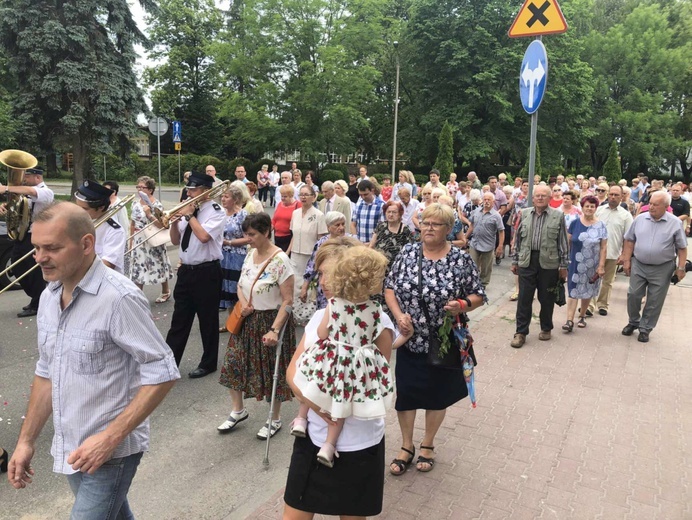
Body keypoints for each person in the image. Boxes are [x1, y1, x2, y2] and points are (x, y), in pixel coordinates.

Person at [8, 202, 179, 517]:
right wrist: (25, 441)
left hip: (110, 452)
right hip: (73, 446)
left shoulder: (119, 298)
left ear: (86, 244)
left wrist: (110, 437)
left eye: (52, 248)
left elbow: (163, 370)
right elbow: (47, 372)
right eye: (36, 247)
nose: (39, 258)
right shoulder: (48, 297)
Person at [284, 238, 393, 519]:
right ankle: (309, 422)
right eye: (320, 274)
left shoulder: (380, 321)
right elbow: (293, 372)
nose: (322, 281)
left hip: (360, 443)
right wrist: (318, 405)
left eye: (327, 274)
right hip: (313, 437)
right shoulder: (340, 312)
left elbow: (374, 375)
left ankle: (310, 422)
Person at [385, 204, 486, 475]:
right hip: (410, 338)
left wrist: (463, 304)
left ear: (448, 229)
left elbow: (478, 294)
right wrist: (398, 317)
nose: (428, 228)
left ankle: (427, 443)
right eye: (425, 223)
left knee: (436, 395)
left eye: (436, 224)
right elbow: (390, 288)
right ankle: (406, 446)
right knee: (406, 393)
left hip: (444, 341)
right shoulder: (407, 252)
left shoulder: (460, 260)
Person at [291, 247, 399, 467]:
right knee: (340, 402)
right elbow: (382, 350)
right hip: (356, 365)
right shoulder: (376, 310)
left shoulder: (334, 306)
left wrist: (333, 339)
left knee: (311, 379)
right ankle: (329, 445)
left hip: (333, 360)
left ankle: (301, 419)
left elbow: (322, 333)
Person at [217, 213, 296, 439]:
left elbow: (288, 300)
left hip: (271, 321)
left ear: (266, 232)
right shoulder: (250, 254)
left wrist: (274, 329)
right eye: (246, 234)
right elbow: (241, 285)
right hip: (247, 319)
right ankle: (238, 410)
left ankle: (275, 418)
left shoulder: (281, 261)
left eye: (252, 234)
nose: (248, 239)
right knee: (233, 362)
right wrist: (243, 304)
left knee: (272, 371)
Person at [165, 172, 225, 378]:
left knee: (207, 321)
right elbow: (174, 241)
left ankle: (208, 363)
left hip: (206, 272)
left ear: (206, 191)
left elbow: (204, 236)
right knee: (179, 320)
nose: (188, 193)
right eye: (188, 189)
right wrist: (174, 221)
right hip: (186, 271)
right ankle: (170, 364)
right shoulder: (188, 211)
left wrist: (189, 216)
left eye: (193, 189)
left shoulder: (216, 211)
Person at [621, 191, 687, 342]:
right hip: (639, 263)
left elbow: (682, 248)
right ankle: (633, 321)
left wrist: (681, 268)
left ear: (666, 206)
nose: (651, 207)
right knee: (633, 294)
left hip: (662, 267)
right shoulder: (639, 219)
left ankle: (645, 328)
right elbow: (629, 240)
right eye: (650, 203)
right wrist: (626, 260)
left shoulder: (675, 223)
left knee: (654, 299)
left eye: (655, 205)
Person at [510, 185, 568, 348]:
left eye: (544, 195)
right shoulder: (524, 213)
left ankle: (546, 327)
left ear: (550, 198)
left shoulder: (558, 216)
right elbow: (518, 240)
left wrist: (563, 266)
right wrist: (515, 261)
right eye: (537, 195)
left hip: (549, 262)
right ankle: (520, 332)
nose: (540, 198)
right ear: (533, 198)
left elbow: (562, 242)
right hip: (527, 261)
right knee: (524, 298)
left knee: (546, 297)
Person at [0, 166, 53, 317]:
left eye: (27, 176)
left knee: (34, 271)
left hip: (37, 236)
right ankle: (37, 297)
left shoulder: (45, 192)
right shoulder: (24, 193)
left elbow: (31, 192)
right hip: (22, 236)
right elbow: (17, 207)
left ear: (38, 177)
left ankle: (38, 302)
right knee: (17, 268)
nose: (24, 179)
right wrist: (5, 206)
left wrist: (6, 188)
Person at [562, 196, 607, 332]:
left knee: (588, 290)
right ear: (582, 207)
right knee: (573, 290)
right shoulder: (575, 223)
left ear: (595, 208)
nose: (589, 208)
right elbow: (567, 242)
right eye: (587, 206)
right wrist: (564, 261)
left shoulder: (601, 226)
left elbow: (604, 247)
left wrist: (601, 266)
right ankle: (569, 320)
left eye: (592, 206)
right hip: (575, 262)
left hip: (592, 264)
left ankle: (582, 316)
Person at [588, 185, 633, 316]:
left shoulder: (626, 216)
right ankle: (589, 305)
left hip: (613, 253)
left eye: (616, 195)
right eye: (611, 194)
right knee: (593, 278)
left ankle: (603, 305)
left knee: (607, 282)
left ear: (621, 197)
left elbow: (628, 237)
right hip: (595, 252)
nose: (613, 197)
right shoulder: (599, 210)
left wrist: (625, 255)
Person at [129, 176, 173, 302]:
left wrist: (149, 214)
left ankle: (165, 290)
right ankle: (138, 294)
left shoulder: (156, 205)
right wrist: (131, 240)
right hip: (138, 238)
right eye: (138, 187)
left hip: (153, 238)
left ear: (150, 190)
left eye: (142, 187)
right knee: (138, 266)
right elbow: (132, 223)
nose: (139, 189)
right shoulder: (135, 204)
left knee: (158, 264)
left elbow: (162, 225)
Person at [299, 212, 350, 311]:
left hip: (345, 288)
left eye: (343, 224)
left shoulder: (350, 242)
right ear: (328, 227)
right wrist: (304, 287)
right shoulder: (321, 244)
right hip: (325, 289)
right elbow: (312, 266)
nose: (341, 227)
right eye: (337, 225)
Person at [73, 180, 126, 274]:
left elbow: (108, 264)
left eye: (85, 209)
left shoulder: (115, 231)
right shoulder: (78, 222)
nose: (79, 212)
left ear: (101, 207)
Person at [288, 186, 327, 289]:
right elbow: (294, 236)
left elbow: (321, 239)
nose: (303, 197)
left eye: (306, 194)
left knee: (308, 284)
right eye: (301, 194)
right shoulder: (295, 213)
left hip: (310, 255)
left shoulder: (319, 215)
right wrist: (287, 252)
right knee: (295, 283)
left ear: (313, 197)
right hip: (295, 254)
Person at [219, 184, 250, 312]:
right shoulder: (220, 213)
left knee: (235, 289)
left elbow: (248, 238)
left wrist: (228, 242)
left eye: (226, 197)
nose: (223, 199)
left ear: (235, 200)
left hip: (237, 257)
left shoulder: (242, 215)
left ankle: (239, 324)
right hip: (222, 256)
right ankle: (230, 323)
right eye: (222, 196)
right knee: (224, 289)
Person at [465, 192, 505, 287]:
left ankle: (483, 283)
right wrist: (465, 237)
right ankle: (472, 282)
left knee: (486, 267)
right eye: (485, 199)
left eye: (489, 200)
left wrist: (500, 246)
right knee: (472, 264)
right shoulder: (476, 211)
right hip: (475, 243)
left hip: (488, 245)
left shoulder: (496, 216)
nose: (486, 201)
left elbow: (501, 231)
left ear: (493, 202)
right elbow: (472, 225)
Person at [370, 200, 414, 269]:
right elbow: (371, 245)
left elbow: (410, 252)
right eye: (388, 212)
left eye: (394, 212)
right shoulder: (381, 225)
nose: (390, 214)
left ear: (400, 214)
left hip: (396, 268)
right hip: (379, 266)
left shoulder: (405, 230)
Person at [272, 184, 300, 252]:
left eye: (285, 196)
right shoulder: (280, 204)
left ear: (291, 196)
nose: (283, 198)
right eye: (282, 196)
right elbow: (274, 220)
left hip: (289, 238)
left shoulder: (298, 205)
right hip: (277, 237)